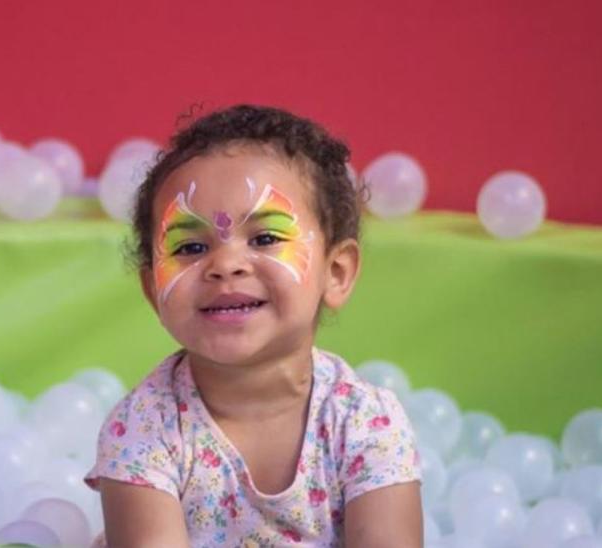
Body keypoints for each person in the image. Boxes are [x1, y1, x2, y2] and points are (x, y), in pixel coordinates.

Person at [84, 105, 423, 547]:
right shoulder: (144, 429)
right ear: (153, 290)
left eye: (265, 239)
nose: (225, 264)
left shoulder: (366, 424)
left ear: (336, 273)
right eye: (189, 246)